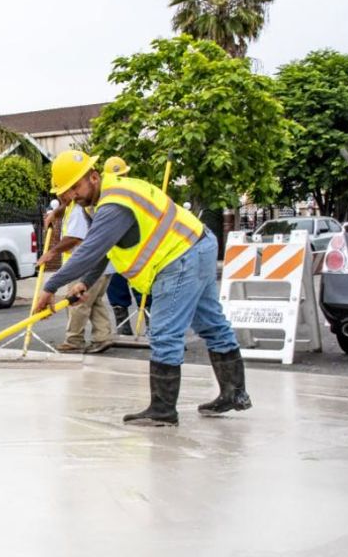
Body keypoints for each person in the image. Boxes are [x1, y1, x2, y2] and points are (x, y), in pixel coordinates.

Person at [34, 150, 252, 426]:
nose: (72, 195)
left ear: (93, 176)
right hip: (196, 246)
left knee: (164, 334)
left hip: (180, 256)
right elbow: (104, 251)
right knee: (211, 324)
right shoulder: (103, 200)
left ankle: (163, 410)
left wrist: (50, 286)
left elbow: (89, 250)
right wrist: (85, 282)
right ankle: (235, 393)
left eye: (75, 187)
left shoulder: (113, 204)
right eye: (67, 191)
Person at [38, 199, 114, 353]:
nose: (60, 195)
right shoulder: (77, 205)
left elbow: (74, 237)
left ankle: (74, 340)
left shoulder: (79, 209)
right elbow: (64, 206)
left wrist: (52, 252)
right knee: (94, 302)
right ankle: (102, 337)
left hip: (85, 268)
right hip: (103, 266)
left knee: (77, 303)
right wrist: (54, 213)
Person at [99, 156, 148, 336]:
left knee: (143, 289)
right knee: (117, 289)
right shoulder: (106, 198)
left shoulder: (136, 193)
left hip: (137, 252)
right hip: (117, 254)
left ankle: (151, 324)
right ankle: (123, 324)